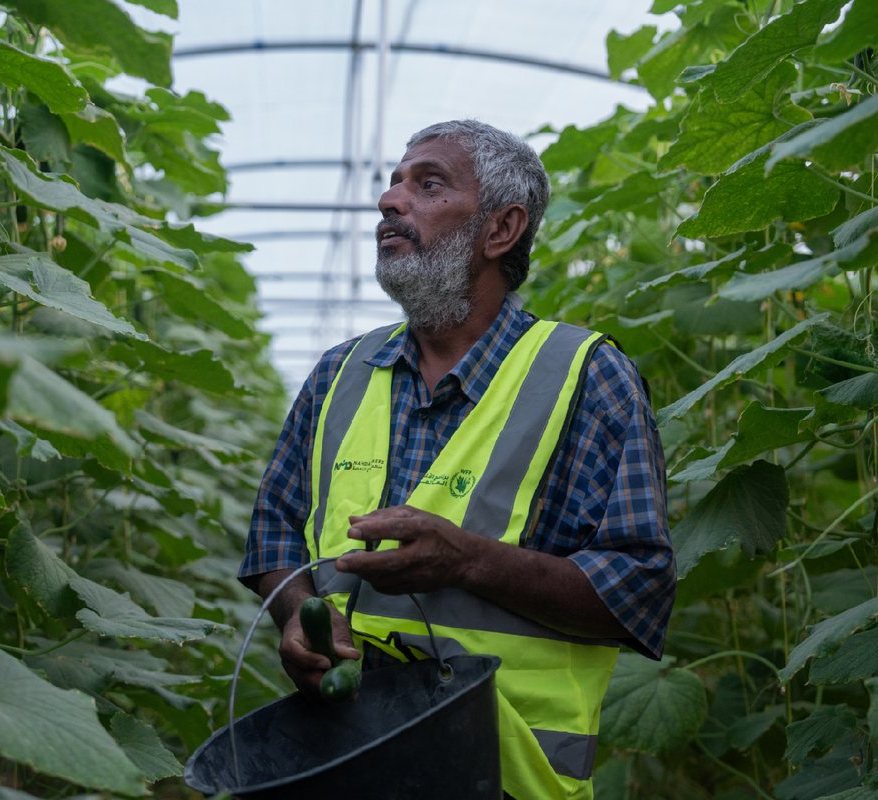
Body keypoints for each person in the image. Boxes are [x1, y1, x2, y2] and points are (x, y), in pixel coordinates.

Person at [239, 119, 675, 800]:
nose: (390, 200)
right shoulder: (339, 374)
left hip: (505, 780)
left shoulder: (586, 377)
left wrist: (469, 561)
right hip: (343, 765)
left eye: (428, 182)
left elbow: (637, 592)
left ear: (501, 230)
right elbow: (274, 529)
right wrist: (297, 613)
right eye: (393, 181)